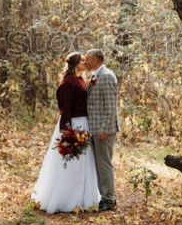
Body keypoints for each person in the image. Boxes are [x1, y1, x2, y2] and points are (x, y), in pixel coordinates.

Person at [31, 52, 100, 213]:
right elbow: (65, 108)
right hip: (75, 124)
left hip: (84, 123)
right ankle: (67, 199)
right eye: (83, 60)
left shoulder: (80, 79)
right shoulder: (67, 83)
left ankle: (83, 198)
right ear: (76, 64)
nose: (86, 62)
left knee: (84, 161)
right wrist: (68, 132)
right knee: (73, 161)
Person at [84, 48, 119, 211]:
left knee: (104, 164)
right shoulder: (95, 75)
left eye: (88, 59)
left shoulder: (106, 76)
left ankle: (108, 199)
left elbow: (111, 107)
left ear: (97, 59)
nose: (85, 62)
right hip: (95, 127)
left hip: (103, 129)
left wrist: (105, 129)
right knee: (99, 164)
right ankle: (105, 195)